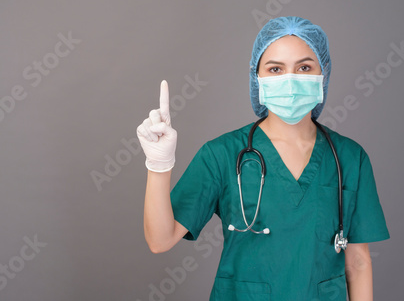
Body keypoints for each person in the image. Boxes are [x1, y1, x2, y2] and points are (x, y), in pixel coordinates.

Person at [136, 16, 389, 300]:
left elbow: (357, 262)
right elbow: (160, 240)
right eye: (275, 69)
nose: (290, 80)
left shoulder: (350, 158)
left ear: (323, 75)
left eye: (304, 67)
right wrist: (158, 165)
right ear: (258, 79)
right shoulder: (222, 153)